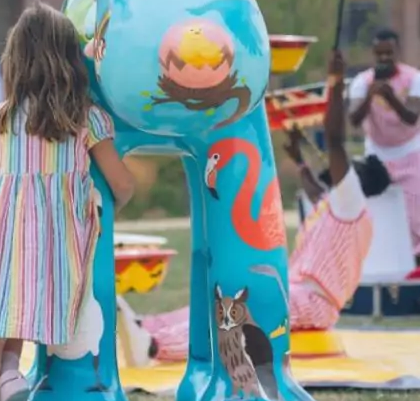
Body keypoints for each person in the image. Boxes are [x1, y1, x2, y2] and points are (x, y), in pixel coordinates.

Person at [0, 1, 136, 401]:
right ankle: (11, 371)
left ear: (15, 59)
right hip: (56, 243)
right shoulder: (87, 120)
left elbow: (3, 170)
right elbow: (122, 184)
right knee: (27, 307)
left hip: (3, 233)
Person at [138, 49, 392, 361]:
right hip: (296, 290)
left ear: (363, 178)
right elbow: (315, 191)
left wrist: (336, 80)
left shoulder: (354, 202)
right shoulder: (338, 207)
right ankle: (148, 326)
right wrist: (299, 158)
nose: (349, 166)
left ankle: (155, 344)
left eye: (357, 166)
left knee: (242, 311)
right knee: (228, 297)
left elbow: (336, 140)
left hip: (313, 302)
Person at [348, 28, 420, 266]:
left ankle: (416, 270)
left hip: (409, 154)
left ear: (398, 52)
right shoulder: (362, 82)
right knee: (374, 217)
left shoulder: (416, 79)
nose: (384, 58)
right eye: (379, 54)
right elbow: (353, 119)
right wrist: (369, 97)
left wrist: (391, 97)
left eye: (389, 53)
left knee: (415, 222)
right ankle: (376, 266)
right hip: (376, 155)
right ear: (373, 54)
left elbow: (412, 117)